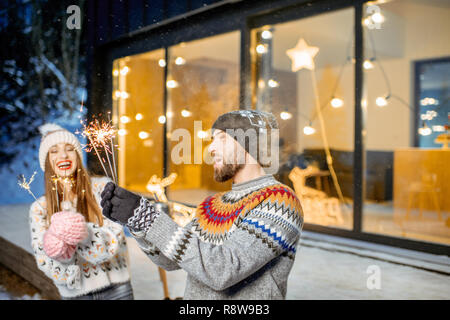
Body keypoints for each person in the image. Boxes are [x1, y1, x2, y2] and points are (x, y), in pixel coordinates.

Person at [101, 110, 304, 300]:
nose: (211, 149)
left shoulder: (280, 201)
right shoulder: (212, 205)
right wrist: (135, 222)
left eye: (222, 139)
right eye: (212, 140)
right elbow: (169, 260)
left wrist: (147, 218)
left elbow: (222, 270)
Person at [29, 123, 133, 300]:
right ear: (46, 160)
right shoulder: (39, 209)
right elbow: (45, 261)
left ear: (77, 155)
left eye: (69, 149)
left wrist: (85, 234)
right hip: (76, 295)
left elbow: (116, 238)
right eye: (53, 151)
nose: (63, 155)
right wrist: (59, 250)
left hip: (117, 290)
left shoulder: (102, 188)